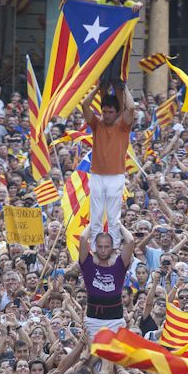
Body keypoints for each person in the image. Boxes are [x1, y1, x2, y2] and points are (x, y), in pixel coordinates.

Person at [82, 84, 135, 250]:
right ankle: (95, 250)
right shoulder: (97, 124)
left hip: (116, 176)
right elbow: (84, 104)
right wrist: (98, 88)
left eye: (110, 112)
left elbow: (131, 107)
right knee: (96, 217)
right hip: (97, 175)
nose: (106, 115)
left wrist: (125, 87)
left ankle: (113, 250)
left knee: (113, 218)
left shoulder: (123, 126)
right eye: (104, 111)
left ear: (117, 112)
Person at [78, 226, 135, 340]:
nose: (103, 250)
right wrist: (94, 223)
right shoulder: (88, 263)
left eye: (106, 246)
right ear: (95, 246)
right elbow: (83, 238)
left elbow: (130, 241)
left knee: (114, 356)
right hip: (93, 319)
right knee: (92, 355)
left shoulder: (119, 264)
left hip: (115, 320)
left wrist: (118, 224)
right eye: (99, 246)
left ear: (112, 247)